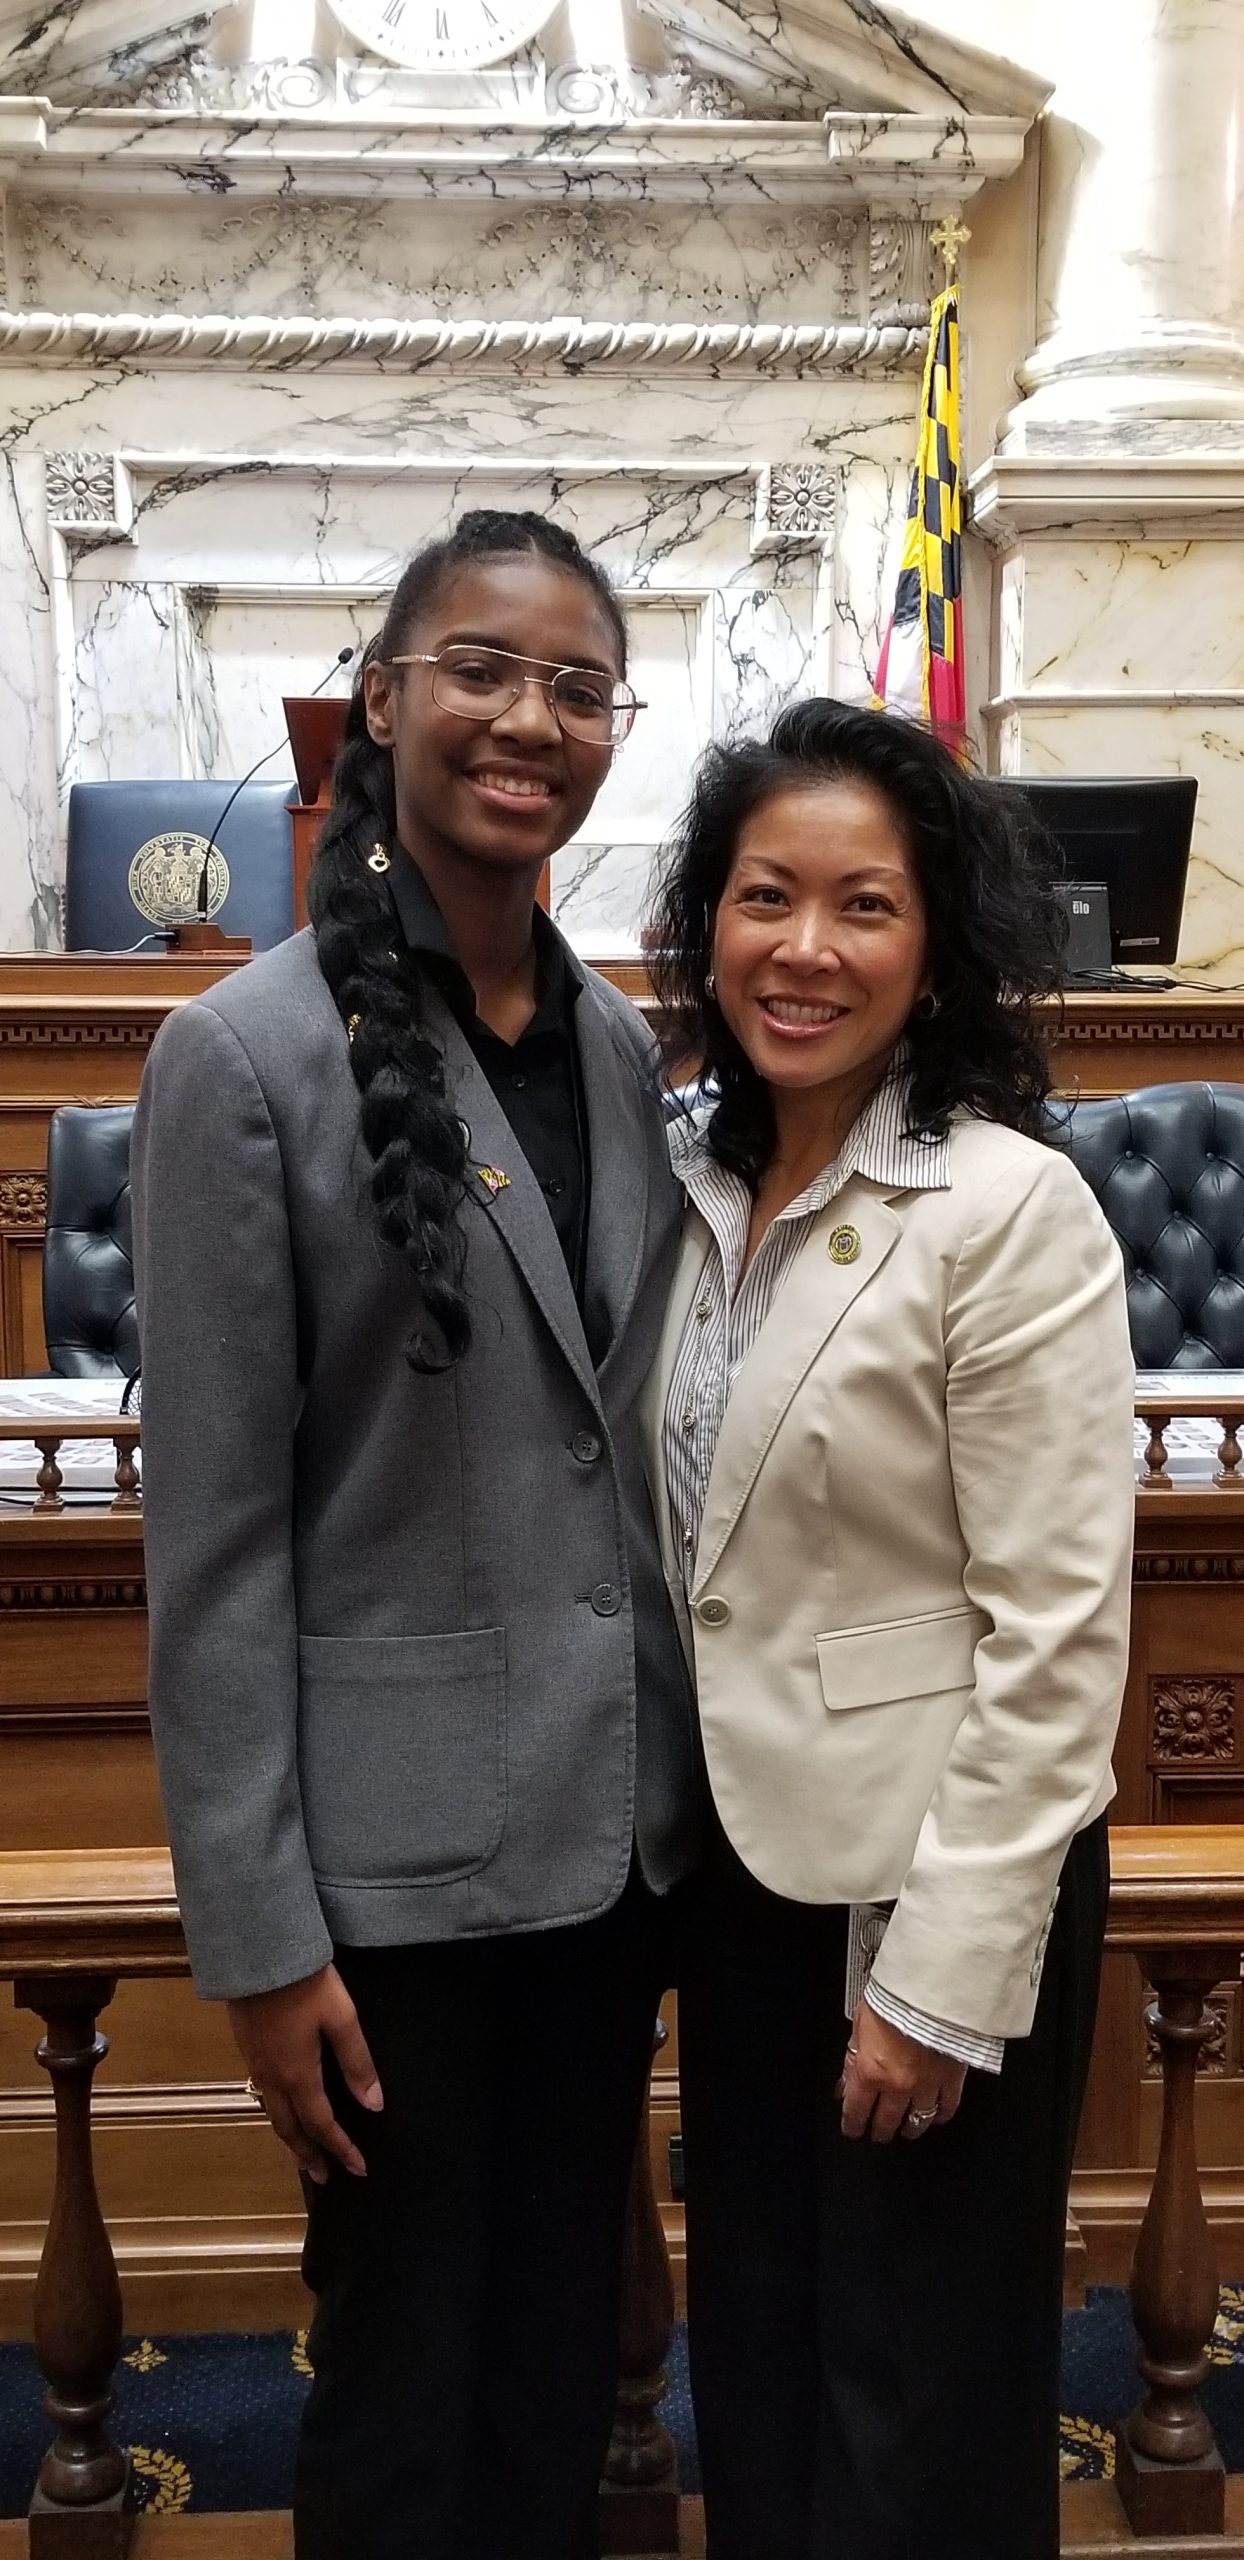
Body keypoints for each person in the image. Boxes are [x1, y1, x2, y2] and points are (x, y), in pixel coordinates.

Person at [131, 509, 701, 2560]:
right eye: (481, 669)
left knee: (558, 2366)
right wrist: (261, 1938)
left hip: (604, 1845)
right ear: (381, 700)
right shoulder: (240, 1055)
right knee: (398, 2396)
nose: (529, 719)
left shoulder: (623, 1043)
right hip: (384, 1886)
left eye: (578, 686)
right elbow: (211, 1541)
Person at [644, 697, 1136, 2560]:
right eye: (767, 896)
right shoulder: (685, 1185)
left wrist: (936, 1984)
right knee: (764, 2375)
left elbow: (1056, 1639)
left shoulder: (1005, 1208)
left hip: (927, 1891)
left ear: (936, 951)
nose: (807, 948)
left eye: (866, 906)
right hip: (741, 1880)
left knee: (916, 2414)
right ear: (709, 923)